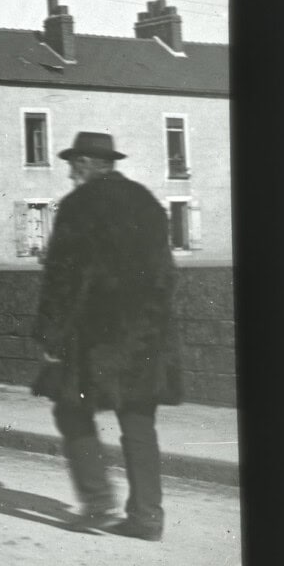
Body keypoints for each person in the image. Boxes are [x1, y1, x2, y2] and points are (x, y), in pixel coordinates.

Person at [32, 131, 180, 541]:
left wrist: (50, 337)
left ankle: (97, 503)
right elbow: (167, 274)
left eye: (71, 164)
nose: (68, 173)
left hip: (92, 338)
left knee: (70, 410)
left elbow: (61, 279)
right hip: (144, 336)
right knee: (138, 422)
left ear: (83, 163)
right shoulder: (147, 202)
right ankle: (148, 517)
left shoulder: (78, 206)